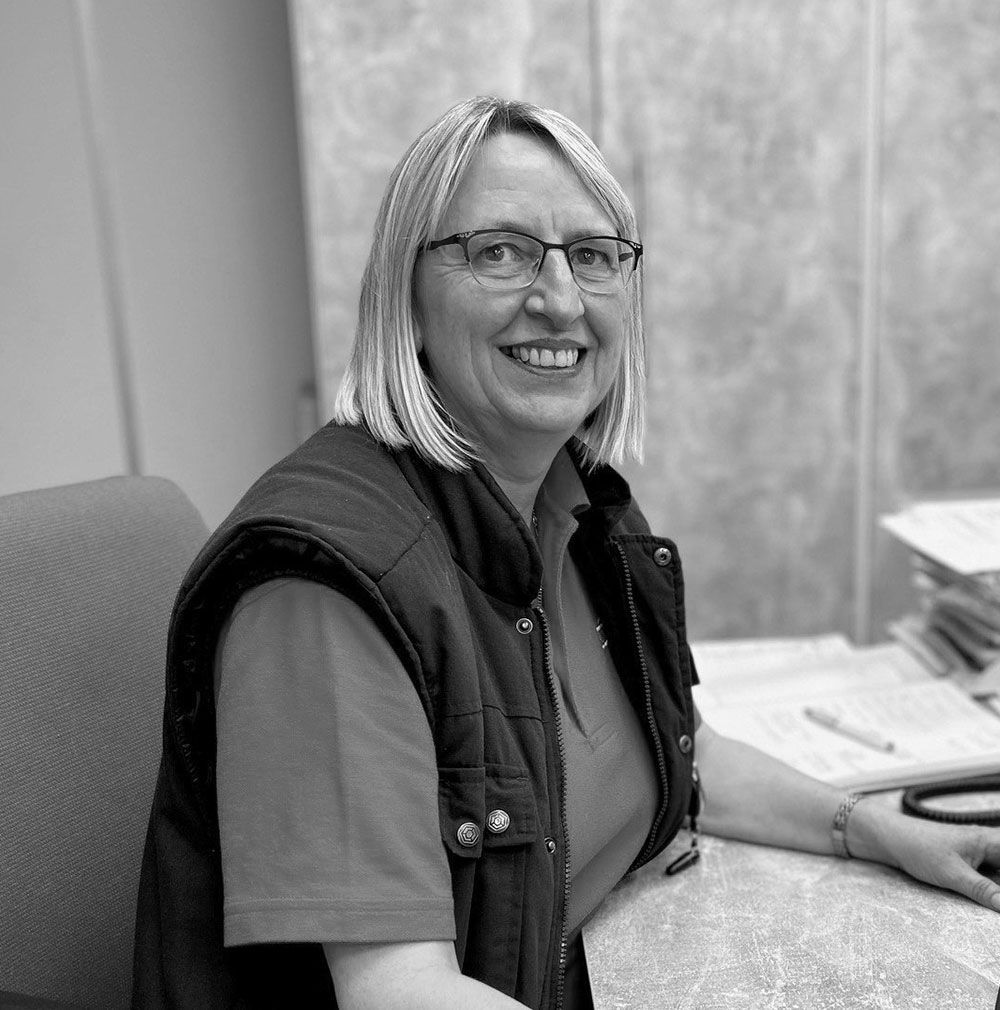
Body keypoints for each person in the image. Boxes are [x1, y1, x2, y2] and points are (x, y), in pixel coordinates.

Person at [132, 95, 1000, 1010]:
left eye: (592, 257)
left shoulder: (572, 502)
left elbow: (686, 753)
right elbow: (397, 990)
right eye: (499, 252)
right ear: (405, 294)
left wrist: (869, 827)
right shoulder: (324, 586)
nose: (558, 300)